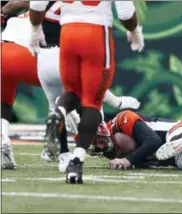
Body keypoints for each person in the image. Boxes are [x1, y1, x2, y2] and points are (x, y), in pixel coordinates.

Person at [1, 1, 141, 170]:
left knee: (47, 104)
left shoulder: (40, 10)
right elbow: (126, 13)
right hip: (72, 43)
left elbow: (31, 4)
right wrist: (117, 102)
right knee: (87, 99)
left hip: (20, 52)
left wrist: (10, 16)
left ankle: (8, 138)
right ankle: (74, 152)